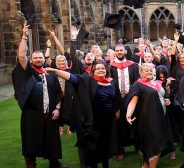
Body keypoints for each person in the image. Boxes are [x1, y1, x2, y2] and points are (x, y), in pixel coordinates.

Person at [47, 60, 121, 168]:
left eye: (103, 68)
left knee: (106, 145)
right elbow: (71, 77)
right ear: (93, 71)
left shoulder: (112, 82)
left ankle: (106, 165)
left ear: (106, 70)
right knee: (93, 148)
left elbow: (117, 99)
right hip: (93, 121)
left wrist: (117, 111)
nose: (101, 70)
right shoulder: (87, 80)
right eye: (98, 68)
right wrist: (55, 71)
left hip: (108, 121)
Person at [12, 22, 66, 168]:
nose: (38, 60)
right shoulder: (28, 73)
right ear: (31, 61)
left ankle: (54, 164)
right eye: (35, 58)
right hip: (32, 114)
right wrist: (24, 36)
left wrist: (57, 109)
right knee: (30, 140)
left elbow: (58, 94)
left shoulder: (50, 74)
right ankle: (31, 165)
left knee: (52, 140)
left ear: (44, 59)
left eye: (40, 58)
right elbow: (22, 56)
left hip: (50, 113)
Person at [126, 63, 173, 168]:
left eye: (151, 70)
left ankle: (145, 165)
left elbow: (163, 96)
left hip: (161, 117)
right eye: (146, 70)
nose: (149, 72)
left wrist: (167, 100)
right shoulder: (137, 85)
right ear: (141, 73)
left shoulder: (156, 83)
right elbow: (133, 101)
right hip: (148, 119)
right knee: (155, 144)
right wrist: (128, 114)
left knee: (155, 143)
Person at [110, 44, 140, 160]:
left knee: (135, 123)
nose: (119, 52)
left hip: (131, 97)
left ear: (125, 52)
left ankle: (138, 147)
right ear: (115, 52)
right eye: (117, 50)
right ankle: (120, 150)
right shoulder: (111, 66)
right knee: (119, 125)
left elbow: (137, 82)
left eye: (121, 50)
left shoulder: (133, 66)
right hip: (117, 99)